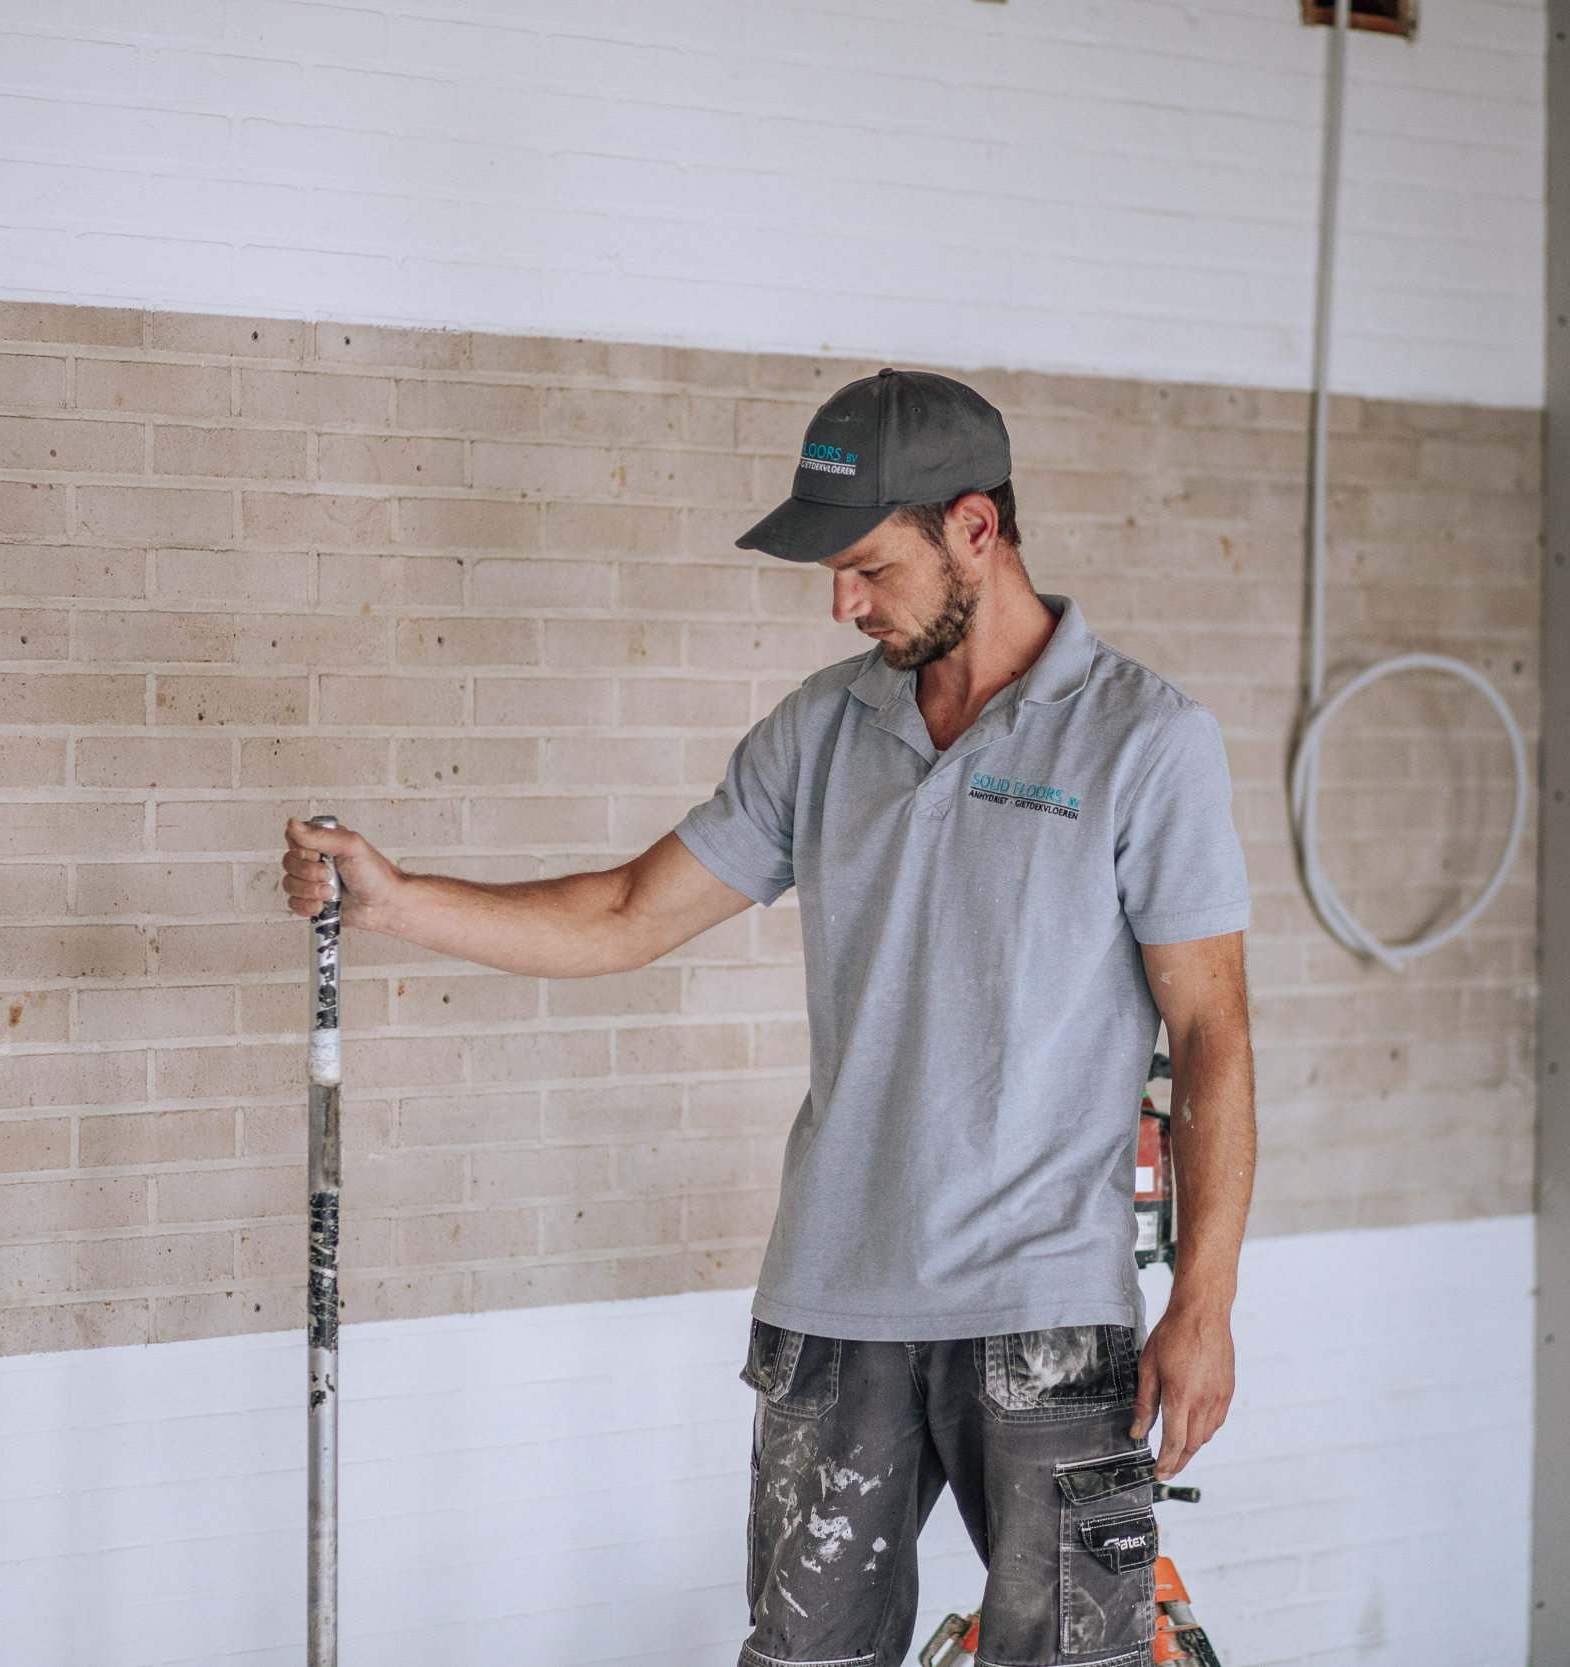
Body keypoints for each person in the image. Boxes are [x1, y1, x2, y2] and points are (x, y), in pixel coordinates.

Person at [285, 369, 1255, 1667]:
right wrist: (398, 900)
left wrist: (1204, 1301)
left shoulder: (1143, 739)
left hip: (1045, 1315)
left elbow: (1212, 1037)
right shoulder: (826, 726)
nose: (843, 601)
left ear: (976, 524)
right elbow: (629, 909)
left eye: (867, 565)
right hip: (831, 1309)